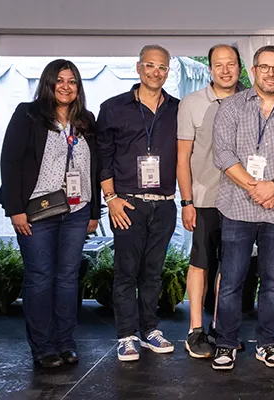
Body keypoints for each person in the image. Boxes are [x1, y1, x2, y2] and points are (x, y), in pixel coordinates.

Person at [210, 45, 274, 371]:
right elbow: (223, 154)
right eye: (264, 67)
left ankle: (267, 343)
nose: (270, 73)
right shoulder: (231, 107)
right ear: (253, 71)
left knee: (272, 283)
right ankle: (226, 343)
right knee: (231, 282)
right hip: (237, 208)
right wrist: (257, 188)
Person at [0, 59, 100, 368]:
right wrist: (16, 210)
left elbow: (94, 168)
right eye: (60, 80)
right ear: (48, 83)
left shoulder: (86, 120)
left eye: (72, 81)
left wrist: (94, 212)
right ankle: (43, 346)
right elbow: (10, 162)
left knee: (68, 279)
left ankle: (65, 342)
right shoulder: (28, 115)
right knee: (40, 277)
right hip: (36, 211)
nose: (66, 86)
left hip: (77, 210)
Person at [97, 45, 180, 362]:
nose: (156, 72)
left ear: (168, 72)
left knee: (153, 273)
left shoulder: (177, 109)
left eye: (162, 67)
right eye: (150, 65)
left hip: (165, 203)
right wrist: (111, 199)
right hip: (127, 204)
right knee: (126, 272)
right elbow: (103, 157)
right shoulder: (113, 108)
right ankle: (126, 335)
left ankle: (150, 330)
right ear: (138, 67)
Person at [177, 44, 245, 358]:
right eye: (219, 64)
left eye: (231, 64)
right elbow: (183, 157)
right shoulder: (191, 103)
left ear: (240, 67)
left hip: (241, 199)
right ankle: (195, 330)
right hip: (204, 198)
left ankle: (221, 328)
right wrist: (186, 201)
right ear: (210, 69)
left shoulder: (251, 100)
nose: (226, 70)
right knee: (201, 263)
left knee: (231, 268)